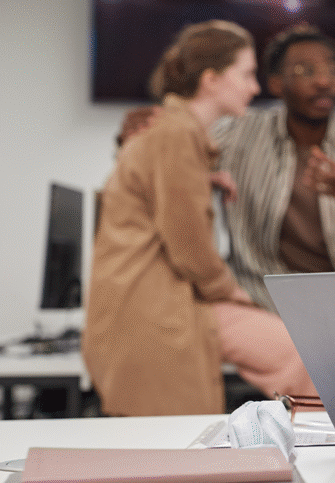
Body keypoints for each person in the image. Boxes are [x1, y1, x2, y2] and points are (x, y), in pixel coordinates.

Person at [85, 20, 316, 416]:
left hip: (155, 305)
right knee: (307, 359)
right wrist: (234, 293)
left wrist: (202, 181)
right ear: (211, 80)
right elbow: (189, 247)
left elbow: (160, 203)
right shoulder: (175, 135)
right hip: (158, 311)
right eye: (246, 74)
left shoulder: (175, 134)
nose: (255, 87)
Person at [210, 24, 335, 313]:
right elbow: (174, 158)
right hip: (263, 301)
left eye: (333, 69)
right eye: (306, 71)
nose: (324, 81)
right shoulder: (238, 135)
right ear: (276, 83)